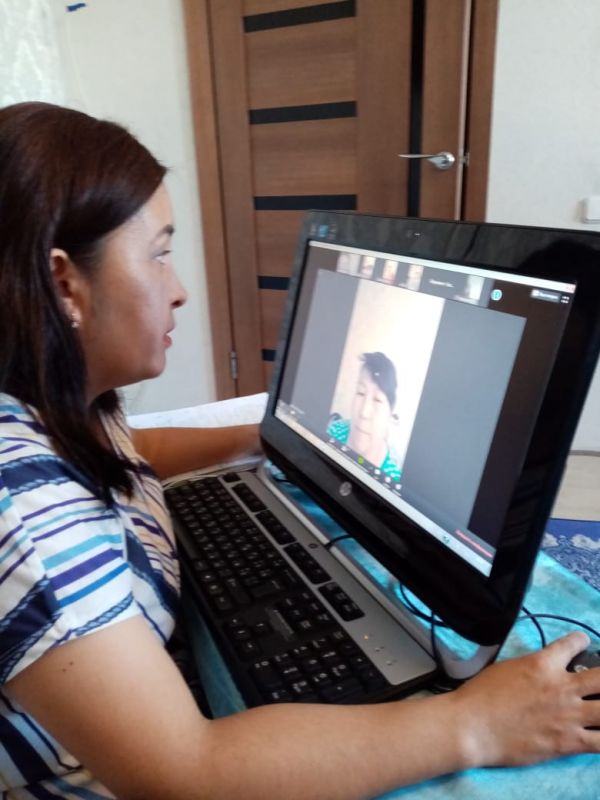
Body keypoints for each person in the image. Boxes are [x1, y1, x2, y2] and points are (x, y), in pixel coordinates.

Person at [0, 102, 598, 800]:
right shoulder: (27, 514)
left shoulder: (50, 403)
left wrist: (264, 435)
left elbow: (132, 456)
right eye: (159, 255)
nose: (180, 291)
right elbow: (188, 772)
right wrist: (474, 725)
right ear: (64, 283)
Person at [328, 352, 401, 480]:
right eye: (361, 393)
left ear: (390, 414)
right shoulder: (333, 431)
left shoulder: (394, 476)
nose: (364, 413)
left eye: (377, 400)